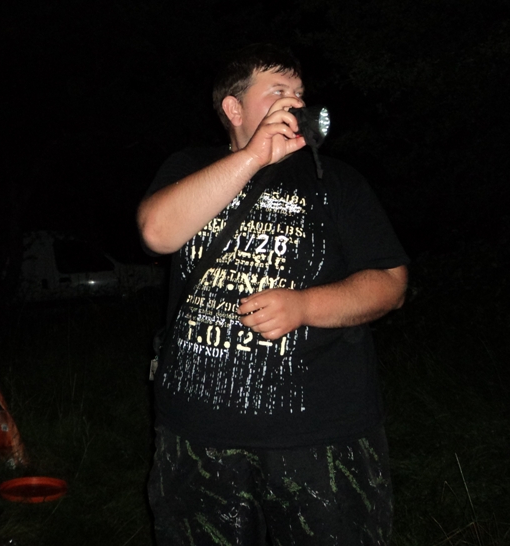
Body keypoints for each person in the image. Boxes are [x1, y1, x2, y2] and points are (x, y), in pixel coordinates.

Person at [138, 43, 409, 545]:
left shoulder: (338, 180)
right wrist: (253, 157)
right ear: (234, 108)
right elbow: (158, 232)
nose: (295, 103)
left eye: (300, 94)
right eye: (278, 91)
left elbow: (390, 284)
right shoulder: (189, 166)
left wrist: (305, 306)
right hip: (196, 436)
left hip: (321, 437)